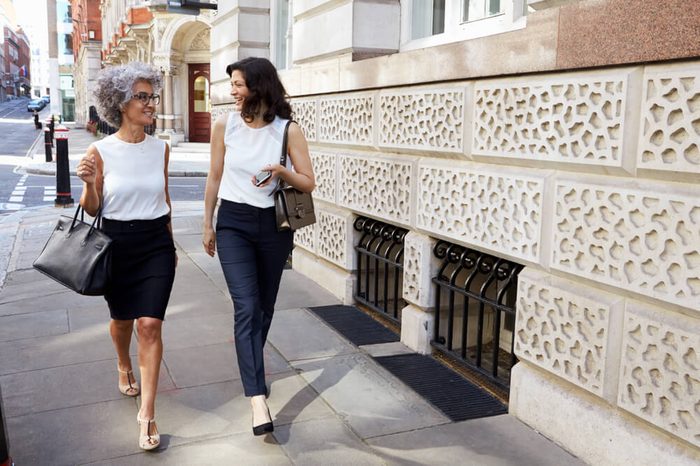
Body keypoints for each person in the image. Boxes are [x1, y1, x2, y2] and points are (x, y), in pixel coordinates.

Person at [202, 57, 315, 436]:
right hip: (233, 222)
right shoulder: (225, 124)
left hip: (273, 228)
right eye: (231, 84)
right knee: (246, 306)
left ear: (259, 86)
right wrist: (208, 222)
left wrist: (282, 171)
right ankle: (257, 398)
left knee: (264, 307)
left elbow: (308, 182)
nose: (231, 91)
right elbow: (214, 175)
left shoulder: (287, 130)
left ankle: (252, 369)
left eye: (237, 84)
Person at [77, 62, 176, 451]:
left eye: (152, 95)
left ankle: (148, 412)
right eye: (142, 96)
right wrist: (87, 184)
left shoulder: (161, 148)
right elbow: (91, 208)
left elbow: (164, 199)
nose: (151, 103)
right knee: (122, 321)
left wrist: (171, 244)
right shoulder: (100, 150)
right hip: (116, 243)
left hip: (155, 244)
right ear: (120, 103)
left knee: (149, 324)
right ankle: (122, 363)